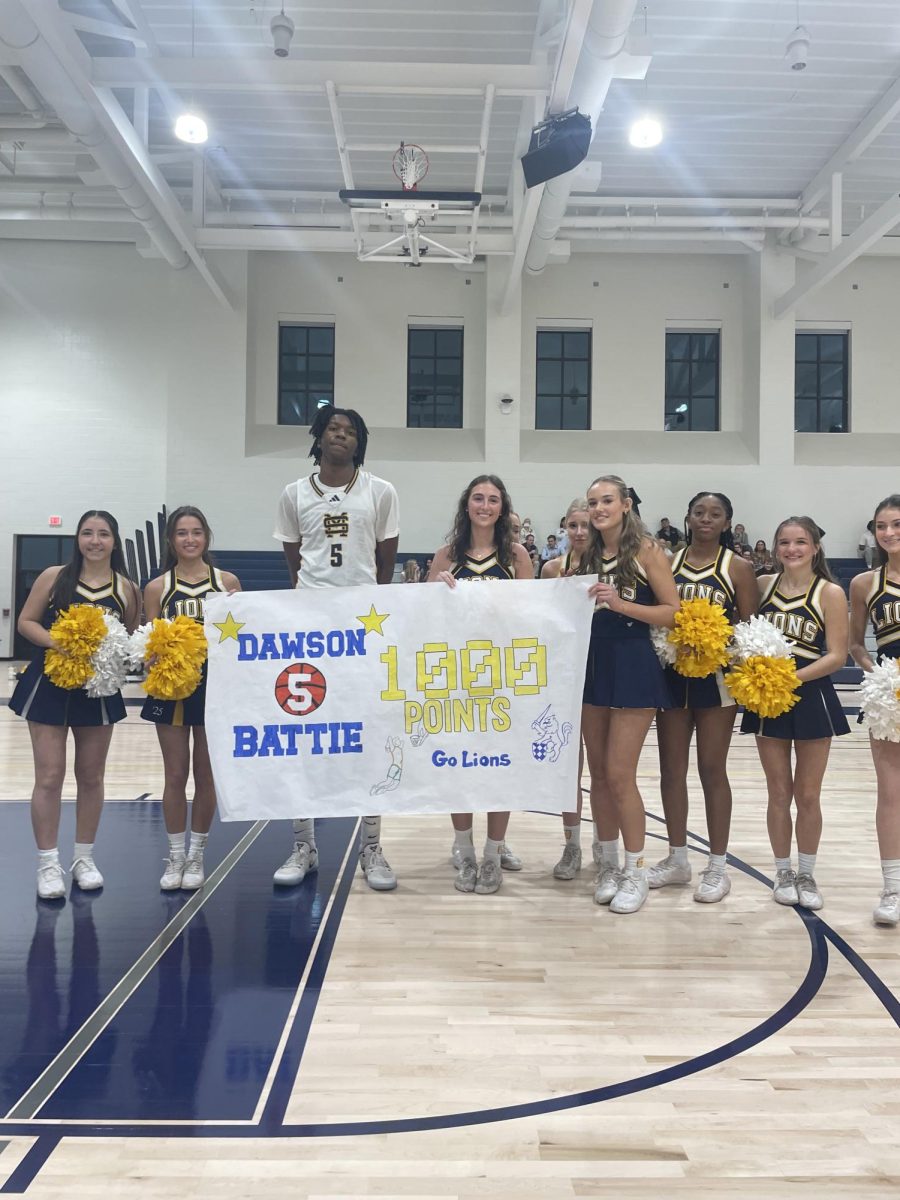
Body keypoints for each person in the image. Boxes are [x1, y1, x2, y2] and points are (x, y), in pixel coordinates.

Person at [273, 405, 399, 891]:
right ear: (319, 437)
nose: (340, 436)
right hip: (310, 626)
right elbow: (293, 557)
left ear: (359, 441)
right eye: (333, 429)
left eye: (349, 431)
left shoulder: (381, 492)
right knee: (304, 736)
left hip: (362, 626)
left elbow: (384, 560)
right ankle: (303, 842)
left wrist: (360, 602)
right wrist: (314, 604)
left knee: (369, 734)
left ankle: (371, 845)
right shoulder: (293, 494)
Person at [11, 510, 140, 900]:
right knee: (49, 777)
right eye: (87, 533)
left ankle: (84, 858)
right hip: (50, 683)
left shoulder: (127, 588)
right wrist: (58, 642)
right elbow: (26, 622)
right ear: (78, 539)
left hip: (98, 690)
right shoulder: (55, 576)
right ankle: (48, 864)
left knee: (91, 776)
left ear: (114, 541)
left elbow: (130, 636)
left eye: (103, 534)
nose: (95, 541)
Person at [649, 492, 758, 903]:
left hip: (718, 681)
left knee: (713, 770)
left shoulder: (739, 568)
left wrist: (716, 644)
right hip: (673, 677)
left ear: (728, 522)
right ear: (688, 518)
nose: (706, 519)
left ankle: (717, 865)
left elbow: (748, 628)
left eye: (716, 514)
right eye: (699, 512)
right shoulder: (667, 561)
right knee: (671, 770)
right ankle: (678, 859)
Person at [427, 475, 534, 894]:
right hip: (456, 675)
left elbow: (531, 615)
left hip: (502, 674)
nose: (485, 505)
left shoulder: (518, 556)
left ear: (502, 508)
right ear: (466, 505)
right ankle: (464, 850)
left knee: (500, 765)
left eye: (493, 499)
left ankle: (492, 853)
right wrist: (435, 591)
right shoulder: (445, 555)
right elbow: (426, 617)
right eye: (477, 498)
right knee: (460, 764)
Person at [578, 476, 679, 914]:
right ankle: (607, 863)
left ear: (625, 505)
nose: (599, 508)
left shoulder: (648, 550)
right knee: (598, 773)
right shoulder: (585, 553)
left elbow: (673, 612)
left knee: (620, 774)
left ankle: (635, 870)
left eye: (606, 501)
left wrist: (621, 605)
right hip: (592, 662)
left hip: (633, 661)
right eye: (592, 502)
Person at [741, 516, 849, 909]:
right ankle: (782, 870)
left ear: (815, 547)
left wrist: (789, 678)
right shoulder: (762, 586)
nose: (792, 549)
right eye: (784, 542)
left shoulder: (831, 592)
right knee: (777, 791)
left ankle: (806, 872)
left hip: (810, 694)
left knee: (807, 793)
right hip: (768, 697)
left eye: (800, 542)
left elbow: (837, 655)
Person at [141, 507, 241, 891]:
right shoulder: (157, 587)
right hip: (173, 689)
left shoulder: (227, 582)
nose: (189, 539)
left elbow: (240, 638)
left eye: (196, 532)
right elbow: (148, 642)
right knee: (175, 774)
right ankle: (176, 855)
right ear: (171, 541)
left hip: (215, 688)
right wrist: (155, 656)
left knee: (206, 775)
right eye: (181, 533)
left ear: (206, 537)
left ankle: (197, 854)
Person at [541, 499, 602, 881]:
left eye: (586, 526)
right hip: (562, 673)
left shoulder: (607, 569)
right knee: (568, 767)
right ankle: (572, 844)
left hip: (600, 670)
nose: (579, 532)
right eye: (573, 525)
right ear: (565, 527)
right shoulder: (550, 569)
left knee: (601, 768)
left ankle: (602, 843)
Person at [849, 495, 900, 926]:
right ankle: (892, 888)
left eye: (896, 525)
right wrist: (879, 676)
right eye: (881, 526)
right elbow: (853, 644)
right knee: (891, 792)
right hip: (891, 695)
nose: (888, 533)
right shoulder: (865, 582)